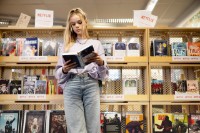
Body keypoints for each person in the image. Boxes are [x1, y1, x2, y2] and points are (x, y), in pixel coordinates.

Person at [55, 8, 108, 133]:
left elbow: (103, 75)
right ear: (70, 27)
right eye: (73, 24)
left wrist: (100, 62)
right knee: (76, 128)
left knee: (93, 127)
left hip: (91, 83)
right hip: (72, 84)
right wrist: (64, 69)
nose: (77, 26)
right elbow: (57, 75)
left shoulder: (96, 44)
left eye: (79, 22)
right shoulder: (65, 46)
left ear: (85, 22)